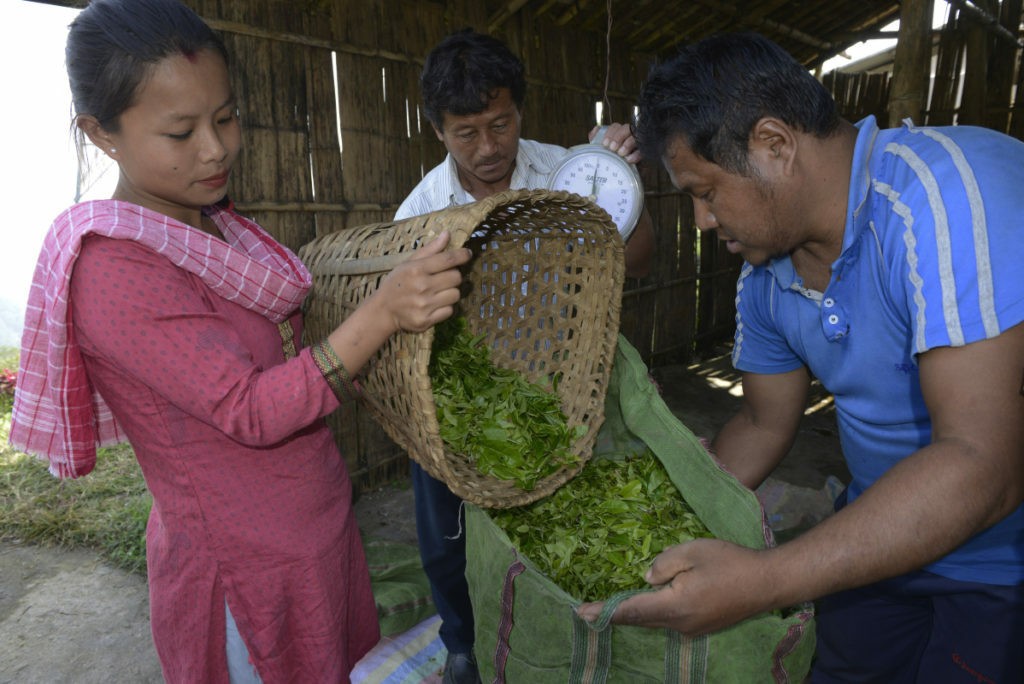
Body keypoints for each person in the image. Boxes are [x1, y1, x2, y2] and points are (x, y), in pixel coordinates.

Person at [9, 1, 471, 681]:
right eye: (181, 131)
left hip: (314, 536)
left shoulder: (218, 229)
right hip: (246, 573)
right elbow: (250, 409)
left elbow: (294, 345)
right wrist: (381, 314)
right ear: (100, 133)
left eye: (225, 118)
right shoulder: (115, 267)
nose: (216, 148)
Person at [576, 31, 1024, 682]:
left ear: (774, 145)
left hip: (1002, 563)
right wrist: (655, 522)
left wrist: (762, 580)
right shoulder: (766, 281)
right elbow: (762, 424)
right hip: (883, 535)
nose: (701, 220)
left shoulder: (944, 196)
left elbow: (983, 466)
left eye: (706, 191)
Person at [394, 29, 655, 683]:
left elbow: (642, 255)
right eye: (466, 133)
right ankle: (462, 641)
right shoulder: (420, 214)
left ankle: (571, 626)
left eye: (500, 124)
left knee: (567, 512)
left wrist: (626, 182)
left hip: (561, 380)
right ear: (437, 131)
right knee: (445, 523)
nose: (488, 148)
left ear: (519, 111)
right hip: (462, 397)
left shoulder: (570, 173)